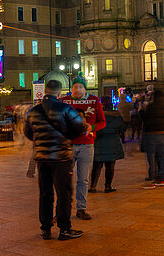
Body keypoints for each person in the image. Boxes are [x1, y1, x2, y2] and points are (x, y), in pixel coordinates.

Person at [24, 79, 85, 241]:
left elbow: (29, 133)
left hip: (42, 158)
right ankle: (64, 229)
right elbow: (80, 128)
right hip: (61, 157)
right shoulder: (66, 109)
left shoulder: (33, 111)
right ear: (59, 92)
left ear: (45, 90)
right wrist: (68, 138)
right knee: (63, 193)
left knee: (45, 193)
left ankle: (45, 229)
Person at [63, 77, 103, 221]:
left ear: (85, 88)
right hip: (69, 145)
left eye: (81, 87)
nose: (78, 90)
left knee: (83, 179)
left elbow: (102, 122)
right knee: (64, 178)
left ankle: (81, 208)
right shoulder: (65, 101)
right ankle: (62, 209)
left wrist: (91, 127)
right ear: (71, 89)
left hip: (87, 144)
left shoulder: (94, 101)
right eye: (75, 87)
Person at [140, 88, 164, 189]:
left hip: (151, 134)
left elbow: (144, 118)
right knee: (162, 156)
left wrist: (142, 110)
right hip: (163, 134)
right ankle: (162, 178)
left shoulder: (151, 106)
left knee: (151, 157)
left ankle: (152, 178)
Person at [91, 97, 124, 193]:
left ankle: (93, 186)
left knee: (97, 165)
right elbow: (122, 129)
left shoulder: (97, 116)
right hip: (113, 142)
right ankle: (108, 186)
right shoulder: (117, 115)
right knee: (110, 166)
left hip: (99, 141)